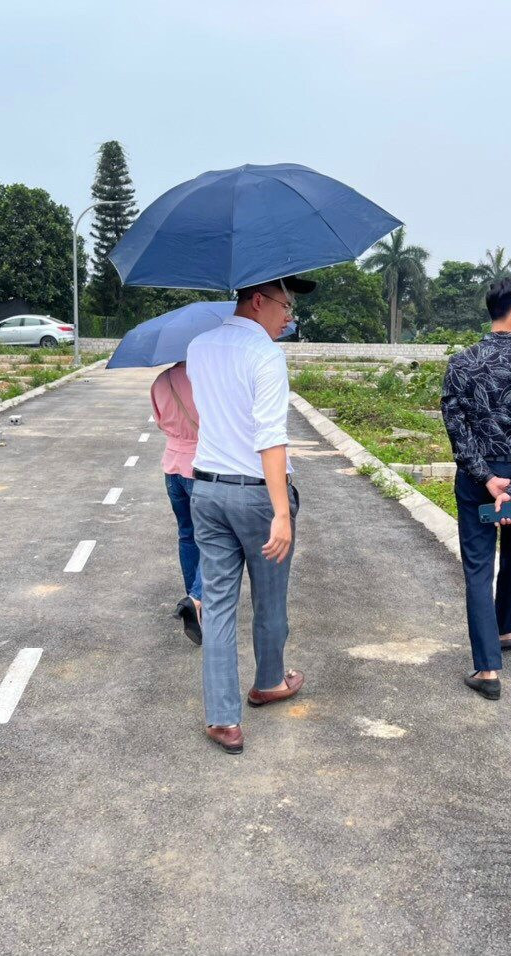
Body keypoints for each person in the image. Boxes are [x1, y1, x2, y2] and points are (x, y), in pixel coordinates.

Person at [185, 275, 314, 755]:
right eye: (285, 306)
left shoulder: (199, 347)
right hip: (257, 496)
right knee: (270, 598)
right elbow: (269, 437)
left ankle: (223, 719)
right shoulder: (264, 354)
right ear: (257, 301)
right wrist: (282, 512)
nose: (288, 317)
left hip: (208, 490)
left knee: (217, 605)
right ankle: (269, 681)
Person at [441, 275, 511, 701]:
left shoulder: (462, 363)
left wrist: (486, 478)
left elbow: (457, 427)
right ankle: (506, 628)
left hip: (476, 480)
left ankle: (488, 668)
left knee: (477, 569)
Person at [150, 361, 203, 645]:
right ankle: (197, 599)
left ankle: (193, 597)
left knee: (187, 535)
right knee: (216, 538)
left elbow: (160, 421)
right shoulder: (205, 378)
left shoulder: (161, 381)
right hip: (201, 467)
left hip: (171, 466)